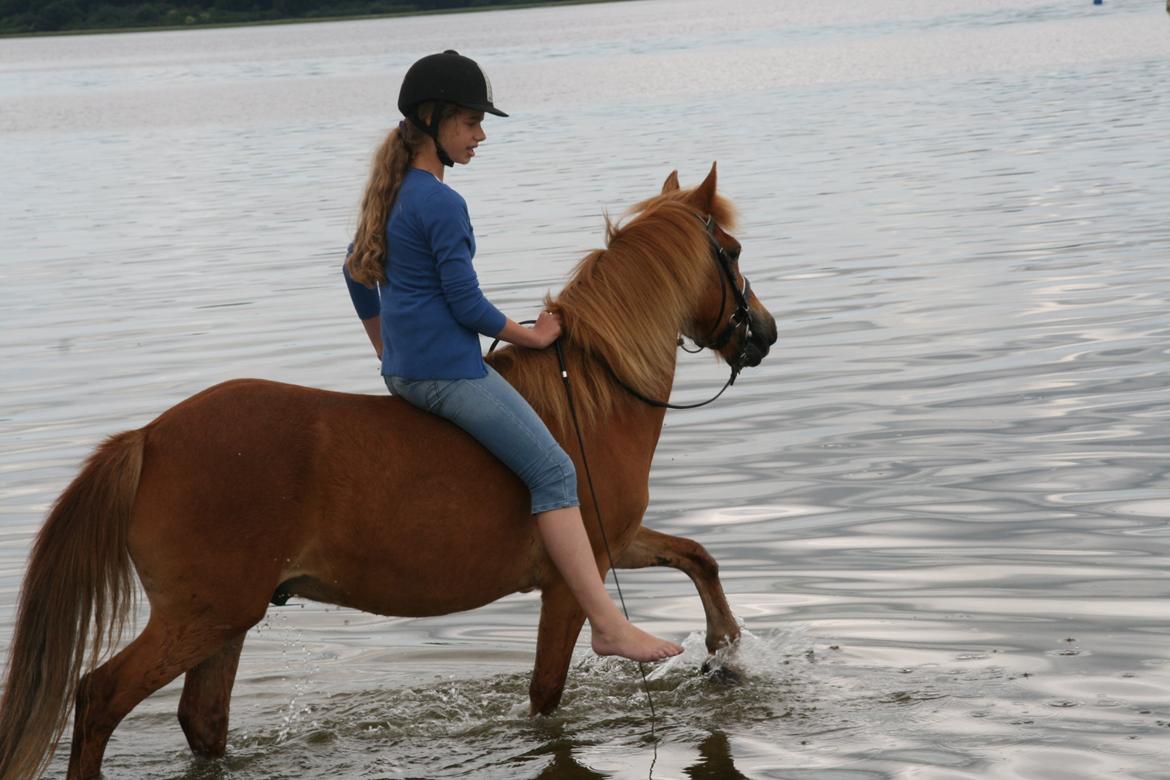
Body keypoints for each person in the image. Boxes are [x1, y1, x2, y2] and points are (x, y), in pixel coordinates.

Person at [342, 50, 683, 663]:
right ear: (433, 120)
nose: (480, 135)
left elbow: (354, 273)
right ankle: (607, 625)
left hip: (405, 373)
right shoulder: (442, 203)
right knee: (556, 474)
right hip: (449, 377)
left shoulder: (391, 194)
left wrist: (384, 345)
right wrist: (536, 336)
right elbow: (468, 305)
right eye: (471, 122)